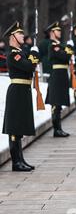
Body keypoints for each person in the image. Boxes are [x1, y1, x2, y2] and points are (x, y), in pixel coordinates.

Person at [2, 22, 40, 171]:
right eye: (19, 34)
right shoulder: (13, 54)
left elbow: (30, 65)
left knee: (20, 127)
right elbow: (29, 66)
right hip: (17, 91)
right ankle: (16, 162)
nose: (23, 36)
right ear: (12, 37)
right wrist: (34, 54)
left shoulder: (22, 52)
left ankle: (21, 159)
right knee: (14, 128)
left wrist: (32, 55)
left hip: (23, 90)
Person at [45, 21, 71, 138]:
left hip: (62, 76)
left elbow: (66, 57)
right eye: (57, 30)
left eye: (60, 30)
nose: (60, 32)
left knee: (59, 104)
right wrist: (67, 50)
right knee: (56, 104)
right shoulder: (53, 45)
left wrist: (66, 51)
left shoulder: (59, 45)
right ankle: (56, 129)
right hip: (56, 76)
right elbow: (65, 56)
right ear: (52, 32)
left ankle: (59, 128)